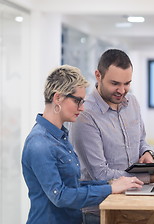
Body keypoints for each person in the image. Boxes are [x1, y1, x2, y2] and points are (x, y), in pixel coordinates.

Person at [21, 65, 143, 224]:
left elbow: (73, 184)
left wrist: (111, 183)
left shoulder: (60, 136)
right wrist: (110, 189)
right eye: (77, 101)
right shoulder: (40, 143)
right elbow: (60, 196)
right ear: (58, 98)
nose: (82, 107)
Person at [70, 49, 154, 222]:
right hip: (101, 211)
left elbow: (142, 140)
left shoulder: (132, 103)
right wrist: (149, 178)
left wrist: (147, 154)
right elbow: (100, 174)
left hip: (134, 203)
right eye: (115, 83)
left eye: (127, 83)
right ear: (98, 75)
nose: (122, 90)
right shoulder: (85, 115)